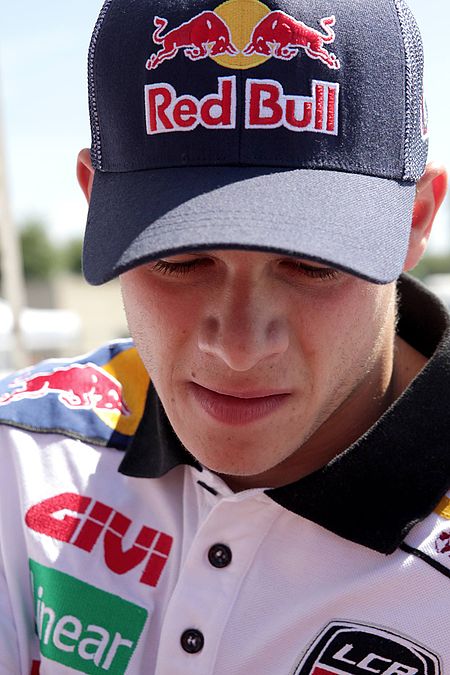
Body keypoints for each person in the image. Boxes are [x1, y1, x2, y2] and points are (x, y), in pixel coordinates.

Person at [1, 0, 449, 672]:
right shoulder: (23, 454)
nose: (238, 346)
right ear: (96, 210)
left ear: (416, 218)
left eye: (313, 265)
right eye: (179, 259)